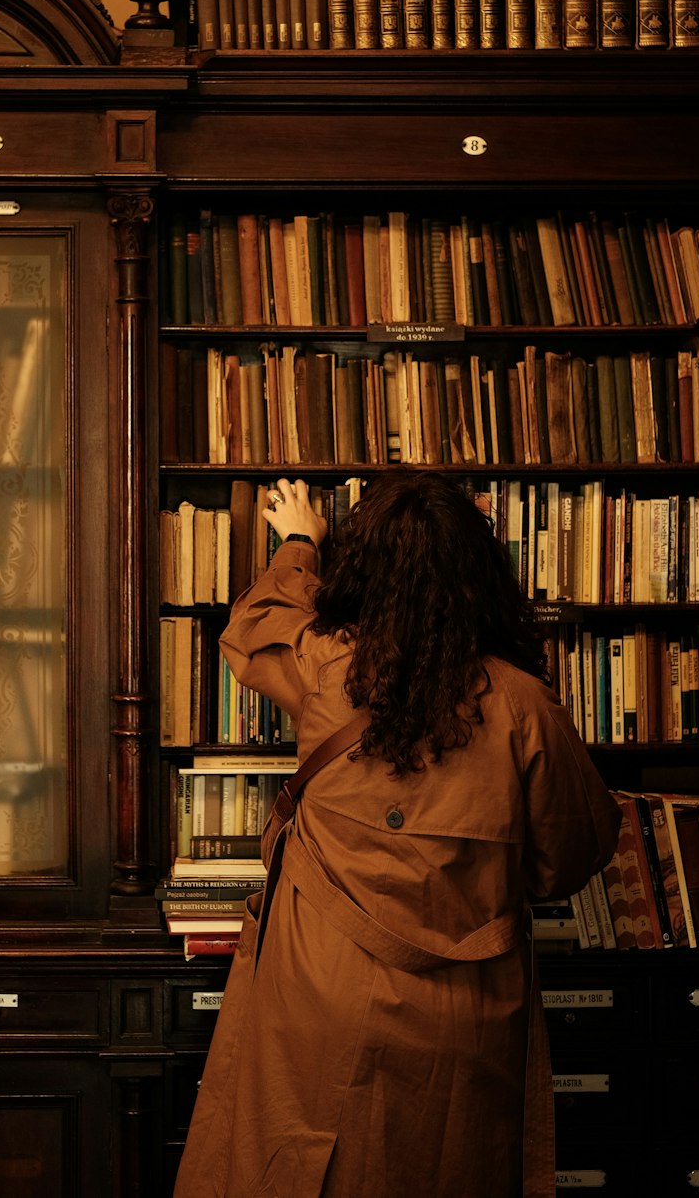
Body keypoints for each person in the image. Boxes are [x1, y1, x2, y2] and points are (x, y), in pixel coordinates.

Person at [174, 472, 621, 1198]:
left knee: (305, 1163)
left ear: (363, 571)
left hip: (316, 997)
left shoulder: (326, 666)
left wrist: (299, 542)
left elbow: (252, 625)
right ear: (480, 576)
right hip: (464, 1019)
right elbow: (567, 860)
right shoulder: (523, 705)